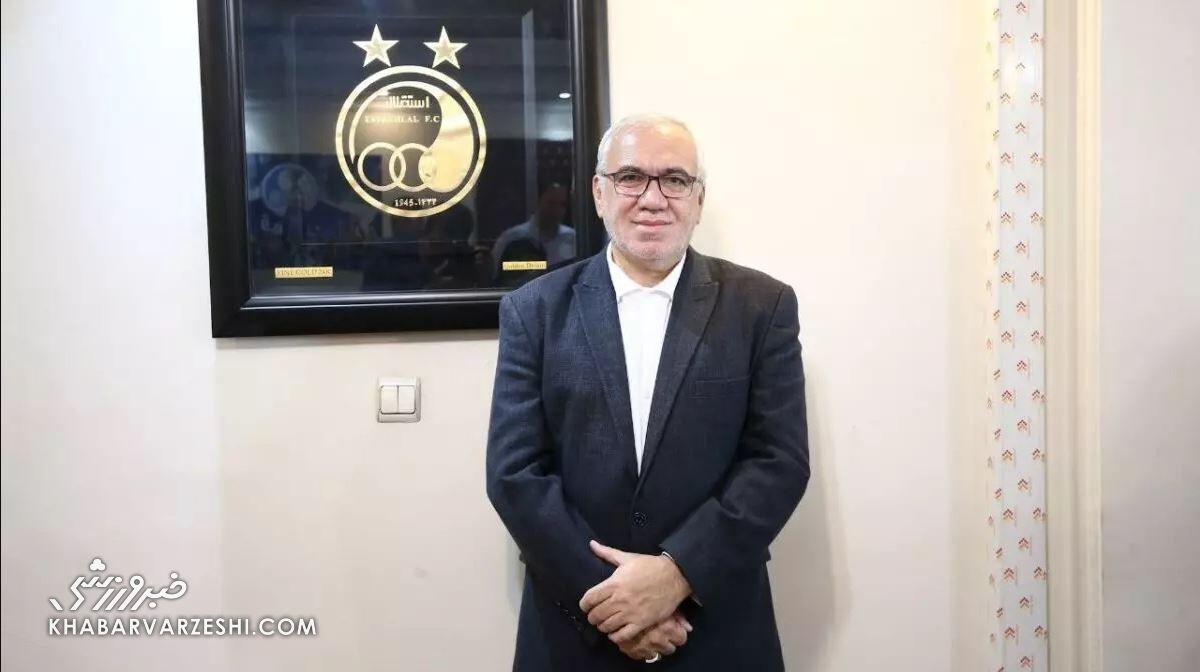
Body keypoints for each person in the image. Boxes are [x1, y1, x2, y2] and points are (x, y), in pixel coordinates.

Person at [486, 113, 810, 671]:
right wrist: (613, 602)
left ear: (699, 199)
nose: (653, 199)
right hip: (575, 630)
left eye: (675, 179)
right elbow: (514, 474)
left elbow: (778, 462)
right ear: (599, 193)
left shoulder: (763, 307)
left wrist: (677, 574)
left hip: (716, 629)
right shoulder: (533, 310)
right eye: (631, 177)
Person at [490, 182, 577, 280]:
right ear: (538, 202)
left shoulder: (573, 239)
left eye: (562, 204)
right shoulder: (511, 238)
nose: (557, 210)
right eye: (551, 203)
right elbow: (494, 277)